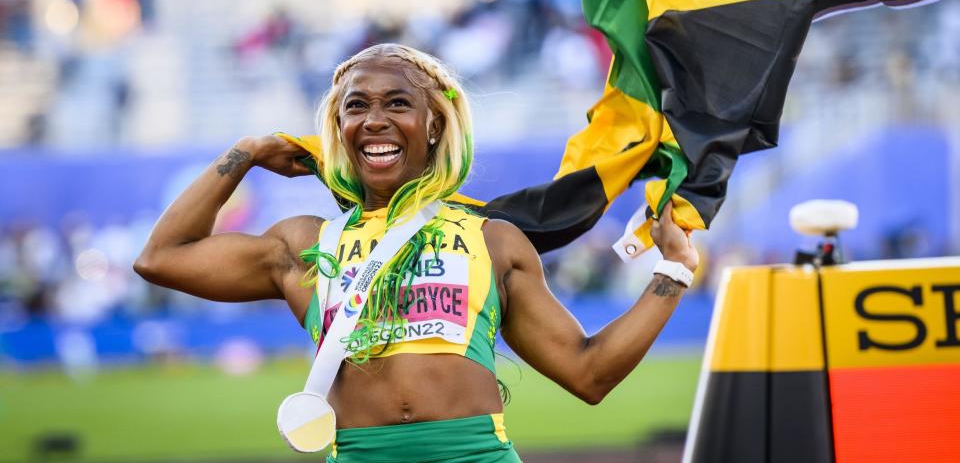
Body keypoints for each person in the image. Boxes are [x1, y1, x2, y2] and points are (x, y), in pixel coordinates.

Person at [134, 43, 699, 463]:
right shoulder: (304, 245)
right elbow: (161, 257)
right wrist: (250, 150)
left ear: (433, 125)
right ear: (339, 126)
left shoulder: (492, 239)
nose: (374, 120)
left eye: (397, 103)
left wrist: (673, 269)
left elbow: (589, 373)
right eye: (356, 107)